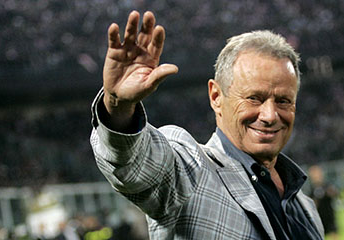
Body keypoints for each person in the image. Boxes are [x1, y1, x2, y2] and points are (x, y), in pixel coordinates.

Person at [89, 11, 324, 239]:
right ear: (216, 97)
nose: (270, 115)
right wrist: (117, 105)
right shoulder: (191, 170)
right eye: (254, 98)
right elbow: (135, 165)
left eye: (283, 101)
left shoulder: (306, 208)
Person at [308, 165, 339, 240]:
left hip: (330, 215)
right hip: (318, 217)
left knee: (333, 234)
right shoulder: (312, 189)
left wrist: (329, 192)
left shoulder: (327, 185)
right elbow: (311, 205)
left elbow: (335, 194)